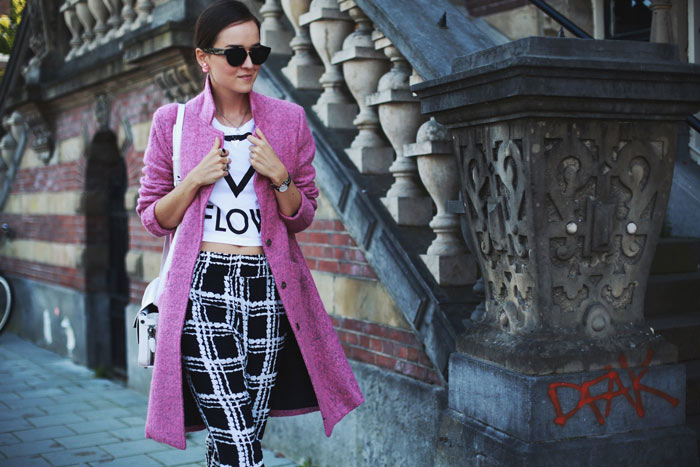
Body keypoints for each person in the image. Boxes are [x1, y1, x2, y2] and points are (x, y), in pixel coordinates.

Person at [136, 1, 364, 465]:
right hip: (201, 289)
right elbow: (152, 217)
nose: (248, 64)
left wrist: (280, 177)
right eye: (235, 54)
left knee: (236, 437)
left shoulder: (287, 120)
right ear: (203, 58)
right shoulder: (173, 123)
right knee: (241, 444)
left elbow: (302, 215)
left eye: (257, 52)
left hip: (268, 290)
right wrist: (193, 180)